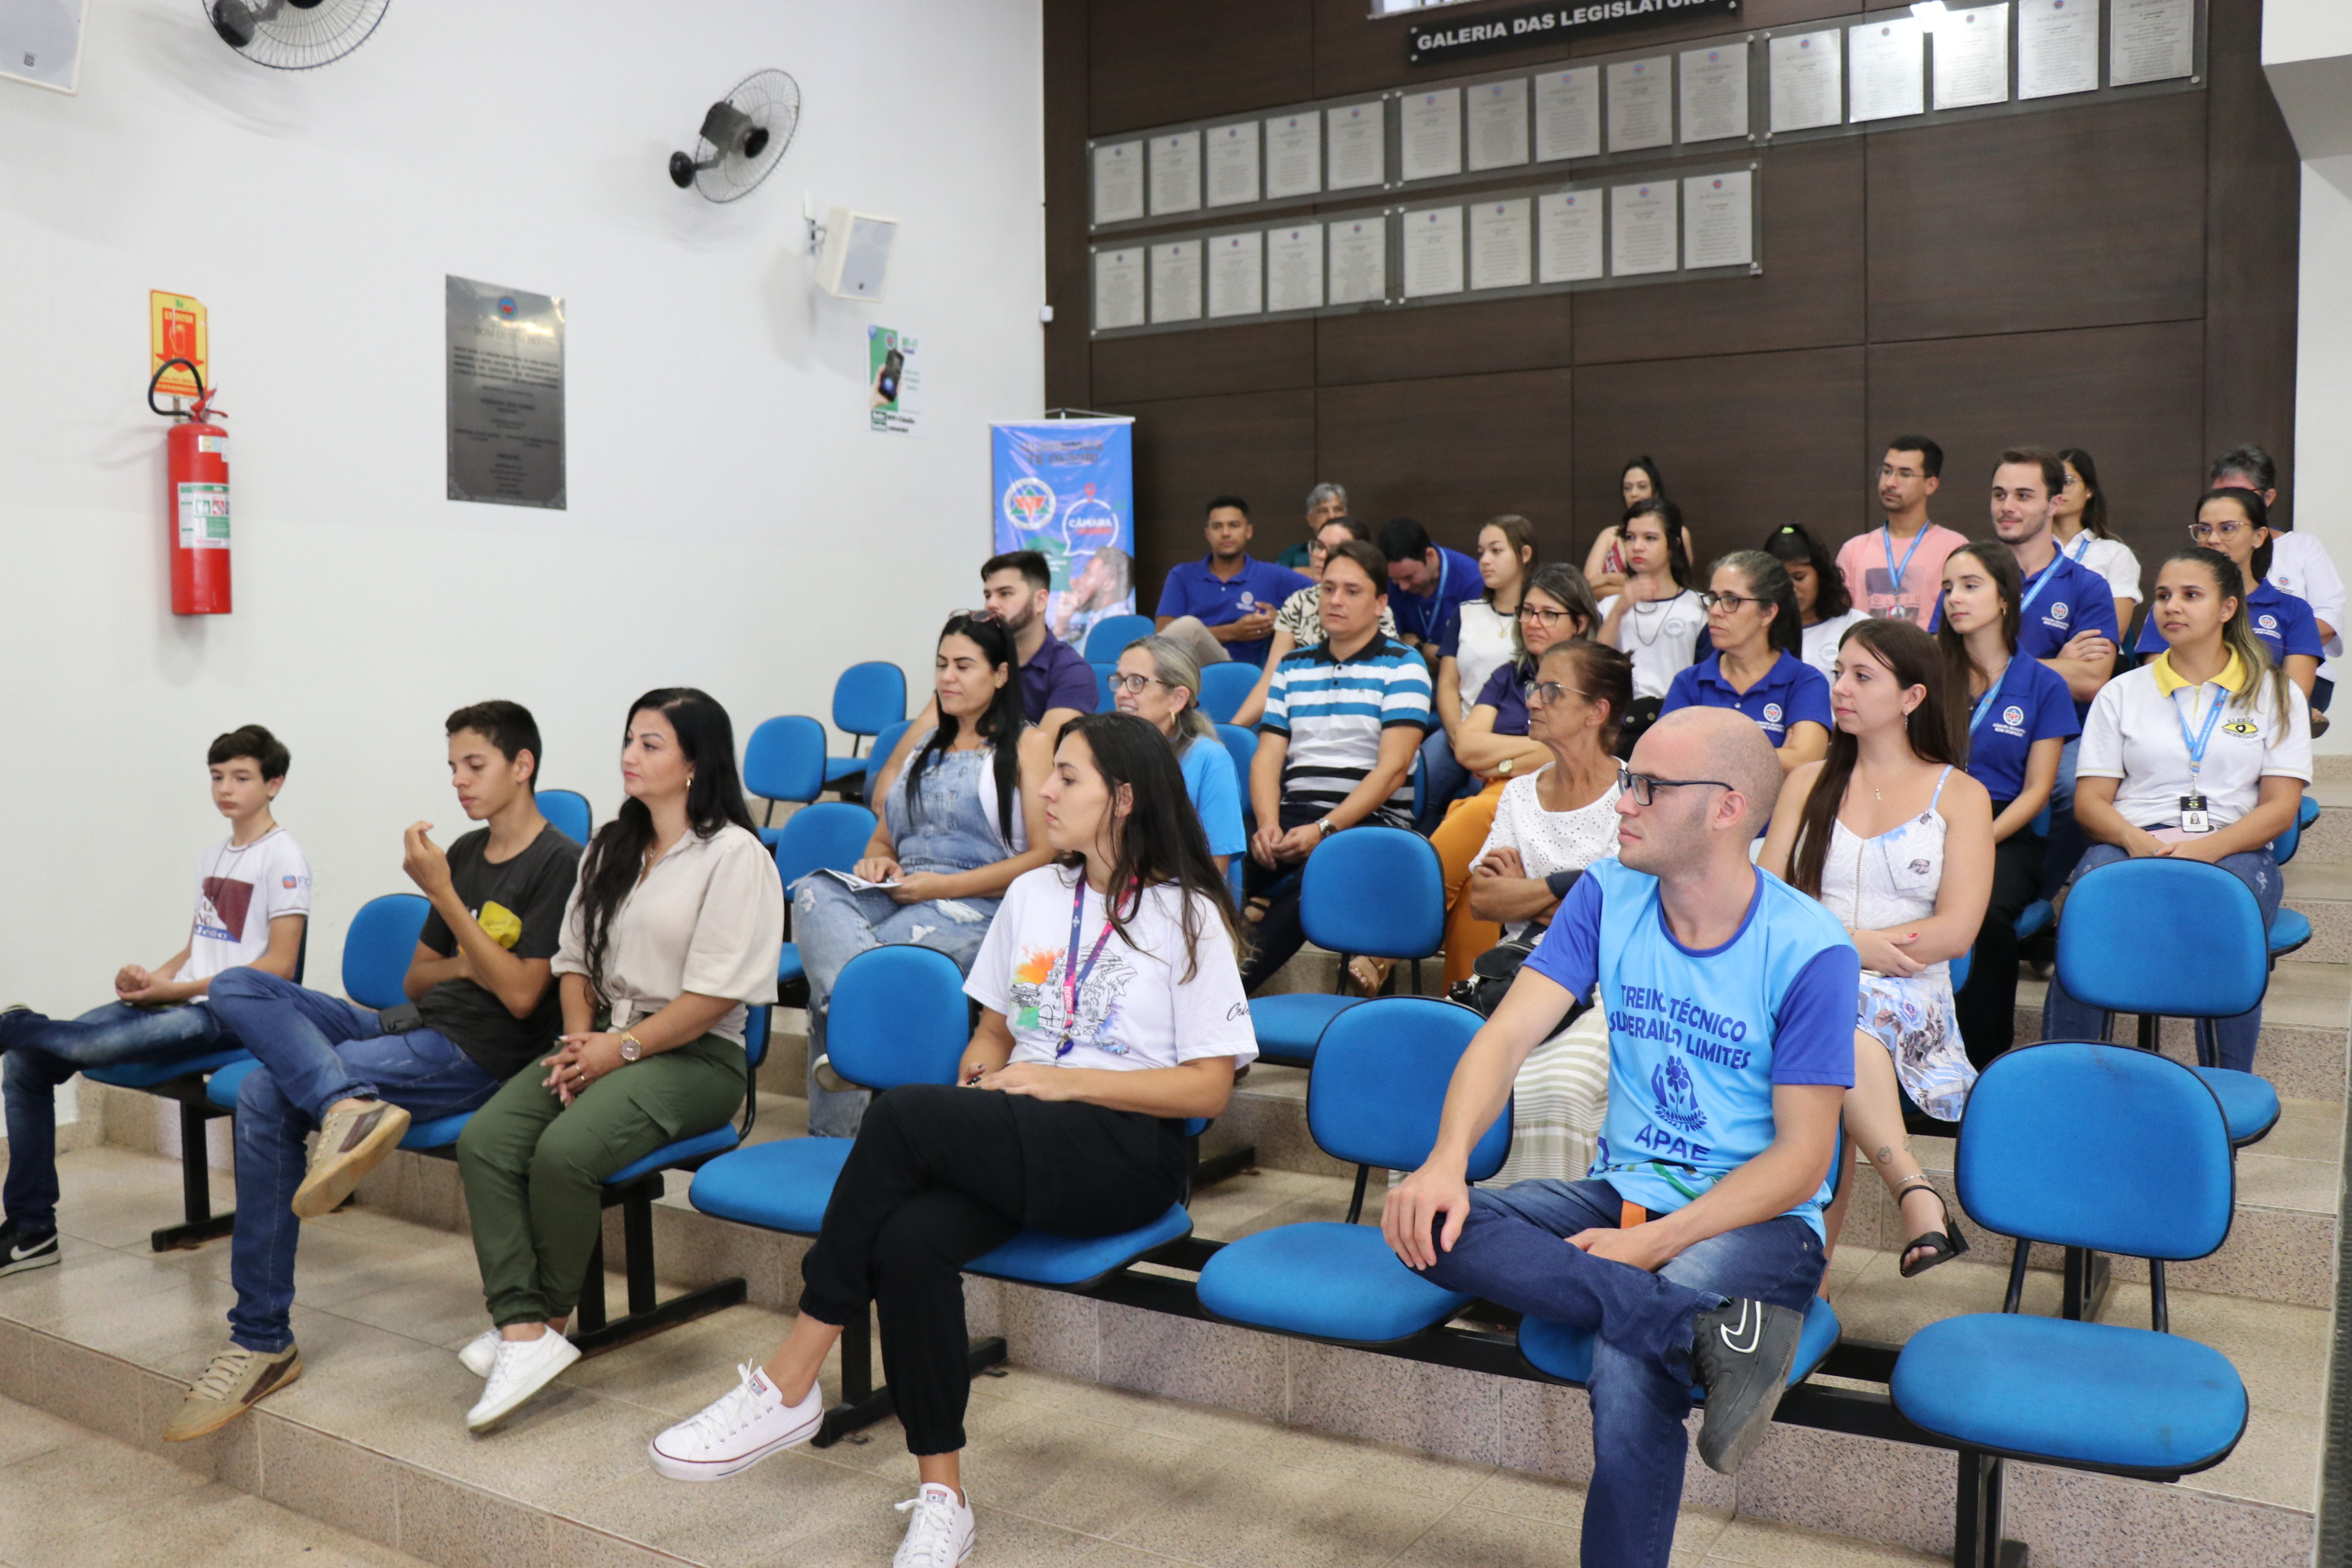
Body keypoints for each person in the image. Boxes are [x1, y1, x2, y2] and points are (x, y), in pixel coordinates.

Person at [648, 714, 1256, 1568]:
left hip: (1125, 1151)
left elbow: (1208, 1089)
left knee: (900, 1114)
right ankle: (944, 1496)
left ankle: (792, 1376)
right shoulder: (1035, 895)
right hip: (1027, 1127)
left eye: (1069, 778)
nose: (1045, 789)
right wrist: (984, 1069)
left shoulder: (1184, 913)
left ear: (1122, 798)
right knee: (909, 1240)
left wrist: (1065, 1080)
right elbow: (994, 1033)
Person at [1383, 709, 1856, 1568]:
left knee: (1627, 1361)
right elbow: (1503, 1038)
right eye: (1627, 780)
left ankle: (1674, 1328)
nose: (1622, 803)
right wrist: (1445, 1162)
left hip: (1750, 1216)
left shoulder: (1810, 948)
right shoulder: (1607, 893)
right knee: (1430, 1223)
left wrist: (1655, 1246)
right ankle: (1712, 1335)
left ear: (1726, 807)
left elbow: (1800, 1163)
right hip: (1623, 1187)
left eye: (1647, 786)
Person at [170, 704, 581, 1441]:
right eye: (451, 766)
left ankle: (262, 1337)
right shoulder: (462, 849)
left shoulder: (560, 862)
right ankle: (343, 1102)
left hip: (474, 1054)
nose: (457, 781)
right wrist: (472, 956)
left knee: (265, 1089)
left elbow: (522, 995)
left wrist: (447, 900)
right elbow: (419, 979)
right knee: (237, 987)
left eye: (473, 765)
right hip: (406, 1024)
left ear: (522, 766)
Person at [454, 689, 782, 1432]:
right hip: (601, 1038)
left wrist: (620, 1049)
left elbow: (712, 996)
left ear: (696, 763)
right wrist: (580, 1045)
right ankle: (521, 1325)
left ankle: (547, 1322)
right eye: (629, 740)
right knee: (486, 1140)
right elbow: (573, 959)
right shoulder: (610, 844)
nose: (630, 756)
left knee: (564, 1151)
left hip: (696, 1057)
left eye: (652, 744)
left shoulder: (736, 856)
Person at [0, 726, 311, 1280]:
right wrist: (151, 979)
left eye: (241, 777)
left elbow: (281, 967)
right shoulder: (215, 855)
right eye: (217, 777)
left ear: (274, 784)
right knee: (25, 1062)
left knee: (84, 1044)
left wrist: (178, 991)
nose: (225, 789)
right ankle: (32, 1230)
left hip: (231, 1015)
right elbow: (204, 947)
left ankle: (14, 1023)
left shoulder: (283, 856)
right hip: (184, 999)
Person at [1761, 619, 1994, 1276]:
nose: (1841, 688)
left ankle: (1814, 1278)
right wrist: (1848, 944)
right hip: (1807, 975)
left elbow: (1956, 930)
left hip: (1908, 988)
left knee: (1835, 1031)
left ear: (1913, 698)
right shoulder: (1808, 781)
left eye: (1862, 676)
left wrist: (1854, 950)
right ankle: (1912, 1193)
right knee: (1834, 1015)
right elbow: (1769, 903)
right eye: (1838, 673)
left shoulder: (1962, 794)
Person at [2044, 548, 2310, 1073]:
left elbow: (2281, 809)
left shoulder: (2276, 693)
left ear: (2228, 608)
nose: (2171, 606)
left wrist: (2205, 850)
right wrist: (2139, 843)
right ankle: (2066, 1073)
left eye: (2191, 595)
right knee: (2088, 905)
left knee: (2227, 907)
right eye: (2163, 595)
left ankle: (2225, 1088)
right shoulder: (2122, 692)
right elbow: (2092, 802)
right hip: (2132, 839)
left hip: (2232, 845)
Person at [795, 612, 1054, 1137]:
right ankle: (856, 1016)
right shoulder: (921, 748)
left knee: (868, 964)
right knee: (812, 892)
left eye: (963, 666)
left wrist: (944, 887)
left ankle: (844, 1103)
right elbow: (883, 840)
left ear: (1001, 675)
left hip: (981, 902)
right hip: (905, 889)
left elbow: (1046, 858)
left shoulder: (1029, 745)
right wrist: (876, 862)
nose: (947, 678)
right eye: (940, 665)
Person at [1461, 639, 1633, 1185]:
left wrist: (1532, 889)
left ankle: (1550, 1229)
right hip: (1514, 968)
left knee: (1557, 1087)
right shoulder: (1517, 794)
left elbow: (1617, 909)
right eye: (1534, 686)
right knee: (1444, 1063)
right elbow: (1483, 898)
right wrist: (1571, 888)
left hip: (1607, 980)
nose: (1532, 699)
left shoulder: (1636, 792)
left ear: (1597, 711)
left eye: (1551, 691)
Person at [1382, 562, 1595, 996]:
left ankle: (1388, 942)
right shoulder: (1508, 676)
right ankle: (1464, 1003)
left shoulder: (1593, 684)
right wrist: (1528, 755)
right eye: (1528, 611)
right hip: (1503, 794)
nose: (1533, 622)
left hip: (1550, 797)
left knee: (1477, 809)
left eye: (1548, 613)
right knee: (1471, 896)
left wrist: (1502, 759)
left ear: (1580, 622)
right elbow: (1466, 746)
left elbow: (1566, 751)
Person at [1242, 540, 1431, 991]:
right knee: (1211, 857)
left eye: (1351, 591)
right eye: (1328, 589)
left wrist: (1325, 829)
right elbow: (1267, 755)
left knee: (1324, 870)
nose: (1336, 601)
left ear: (1380, 603)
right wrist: (1267, 823)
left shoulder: (1404, 666)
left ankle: (1228, 992)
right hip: (1294, 812)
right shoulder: (1292, 666)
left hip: (1371, 821)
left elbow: (1393, 769)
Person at [1937, 544, 2079, 1068]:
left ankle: (1981, 1065)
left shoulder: (2042, 683)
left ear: (2003, 599)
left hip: (2003, 826)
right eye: (1948, 587)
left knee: (1986, 914)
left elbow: (2039, 790)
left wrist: (1977, 839)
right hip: (1929, 814)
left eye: (1970, 585)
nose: (1955, 598)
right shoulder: (1927, 675)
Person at [2132, 488, 2326, 735]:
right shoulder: (2173, 606)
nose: (2212, 539)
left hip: (2261, 734)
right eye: (2204, 529)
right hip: (2178, 730)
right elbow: (2157, 681)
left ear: (2258, 536)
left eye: (2228, 528)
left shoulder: (2293, 610)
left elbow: (2292, 696)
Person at [1661, 552, 1833, 775]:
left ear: (1768, 613)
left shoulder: (1805, 681)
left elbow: (1803, 762)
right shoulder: (1689, 682)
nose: (1715, 611)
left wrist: (1703, 750)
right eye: (1713, 598)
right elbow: (1664, 757)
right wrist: (1774, 754)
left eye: (1731, 600)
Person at [1423, 516, 1540, 831]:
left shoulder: (1538, 618)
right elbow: (1448, 683)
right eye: (1481, 552)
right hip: (1460, 728)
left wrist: (1478, 745)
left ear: (1524, 554)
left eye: (1496, 551)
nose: (1485, 561)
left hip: (1508, 736)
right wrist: (1456, 732)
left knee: (1483, 799)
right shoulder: (1466, 612)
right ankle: (1424, 861)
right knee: (1422, 782)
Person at [1232, 514, 1397, 727]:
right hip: (1300, 716)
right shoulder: (1298, 602)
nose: (1321, 556)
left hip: (1360, 717)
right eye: (1319, 546)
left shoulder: (1376, 609)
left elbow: (1385, 682)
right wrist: (1231, 733)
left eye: (1334, 549)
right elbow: (1271, 680)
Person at [912, 552, 1098, 740]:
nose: (991, 604)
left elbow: (1045, 755)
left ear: (1040, 601)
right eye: (988, 595)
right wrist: (892, 770)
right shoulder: (977, 659)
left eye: (1005, 593)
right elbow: (923, 730)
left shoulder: (1072, 671)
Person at [2212, 443, 2344, 707]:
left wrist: (2266, 641)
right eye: (2220, 493)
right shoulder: (2208, 549)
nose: (2228, 503)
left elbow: (2329, 622)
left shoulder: (2302, 547)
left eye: (2238, 493)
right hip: (2219, 670)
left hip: (2295, 668)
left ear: (2268, 497)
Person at [1110, 634, 1246, 873]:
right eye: (1119, 681)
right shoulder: (1106, 753)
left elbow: (1214, 867)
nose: (1121, 693)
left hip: (1181, 899)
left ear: (1177, 698)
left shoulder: (1210, 759)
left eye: (1136, 682)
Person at [1155, 496, 1311, 668]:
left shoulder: (1271, 575)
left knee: (1187, 627)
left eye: (1234, 525)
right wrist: (1233, 632)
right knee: (1188, 627)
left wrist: (1280, 619)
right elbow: (1163, 636)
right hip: (1186, 670)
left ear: (1249, 531)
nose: (1225, 533)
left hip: (1241, 673)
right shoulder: (1183, 575)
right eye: (1217, 527)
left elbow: (1319, 596)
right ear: (1207, 534)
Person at [1596, 499, 1709, 733]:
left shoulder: (1699, 608)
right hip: (1619, 725)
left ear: (1672, 546)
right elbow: (1595, 670)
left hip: (1681, 724)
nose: (1637, 547)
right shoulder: (1607, 608)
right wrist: (1619, 611)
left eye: (1650, 538)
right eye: (1630, 537)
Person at [1837, 437, 1967, 624]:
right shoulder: (1853, 550)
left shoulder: (1955, 548)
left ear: (1930, 485)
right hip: (1865, 651)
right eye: (1886, 471)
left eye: (1905, 474)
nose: (1890, 482)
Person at [2051, 448, 2141, 641]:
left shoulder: (2115, 554)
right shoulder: (2028, 551)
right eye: (2051, 483)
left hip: (2092, 660)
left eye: (2067, 482)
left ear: (2089, 490)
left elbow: (2114, 630)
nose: (2058, 490)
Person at [1766, 523, 1868, 681]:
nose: (1790, 588)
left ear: (1821, 576)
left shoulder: (1856, 626)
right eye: (1779, 579)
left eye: (1799, 577)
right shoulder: (1758, 628)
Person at [1584, 457, 1690, 599]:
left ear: (1656, 491)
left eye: (1642, 486)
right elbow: (1589, 588)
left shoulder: (1678, 532)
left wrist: (1608, 579)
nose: (1634, 493)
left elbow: (1664, 585)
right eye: (1628, 488)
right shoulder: (1609, 535)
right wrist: (1634, 591)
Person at [1376, 516, 1483, 654]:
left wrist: (1420, 647)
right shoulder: (1389, 580)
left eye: (1409, 577)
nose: (1402, 587)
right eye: (1395, 579)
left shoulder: (1472, 581)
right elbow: (1392, 644)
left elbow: (1467, 658)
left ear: (1430, 555)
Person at [1049, 544, 1133, 653]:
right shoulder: (1098, 620)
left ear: (1108, 584)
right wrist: (1062, 622)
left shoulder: (1116, 626)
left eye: (1087, 573)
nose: (1078, 580)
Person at [1277, 481, 1350, 570]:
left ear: (1346, 515)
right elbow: (1277, 579)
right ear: (1310, 519)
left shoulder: (1358, 551)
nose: (1331, 516)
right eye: (1323, 511)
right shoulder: (1293, 554)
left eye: (1338, 510)